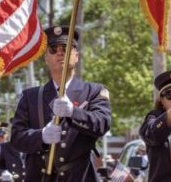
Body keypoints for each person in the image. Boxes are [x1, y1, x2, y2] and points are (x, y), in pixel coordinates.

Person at [9, 26, 111, 182]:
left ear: (76, 56)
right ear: (46, 58)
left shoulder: (94, 91)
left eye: (65, 48)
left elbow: (103, 124)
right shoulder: (31, 96)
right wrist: (41, 136)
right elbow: (17, 138)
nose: (59, 52)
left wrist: (73, 112)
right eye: (53, 49)